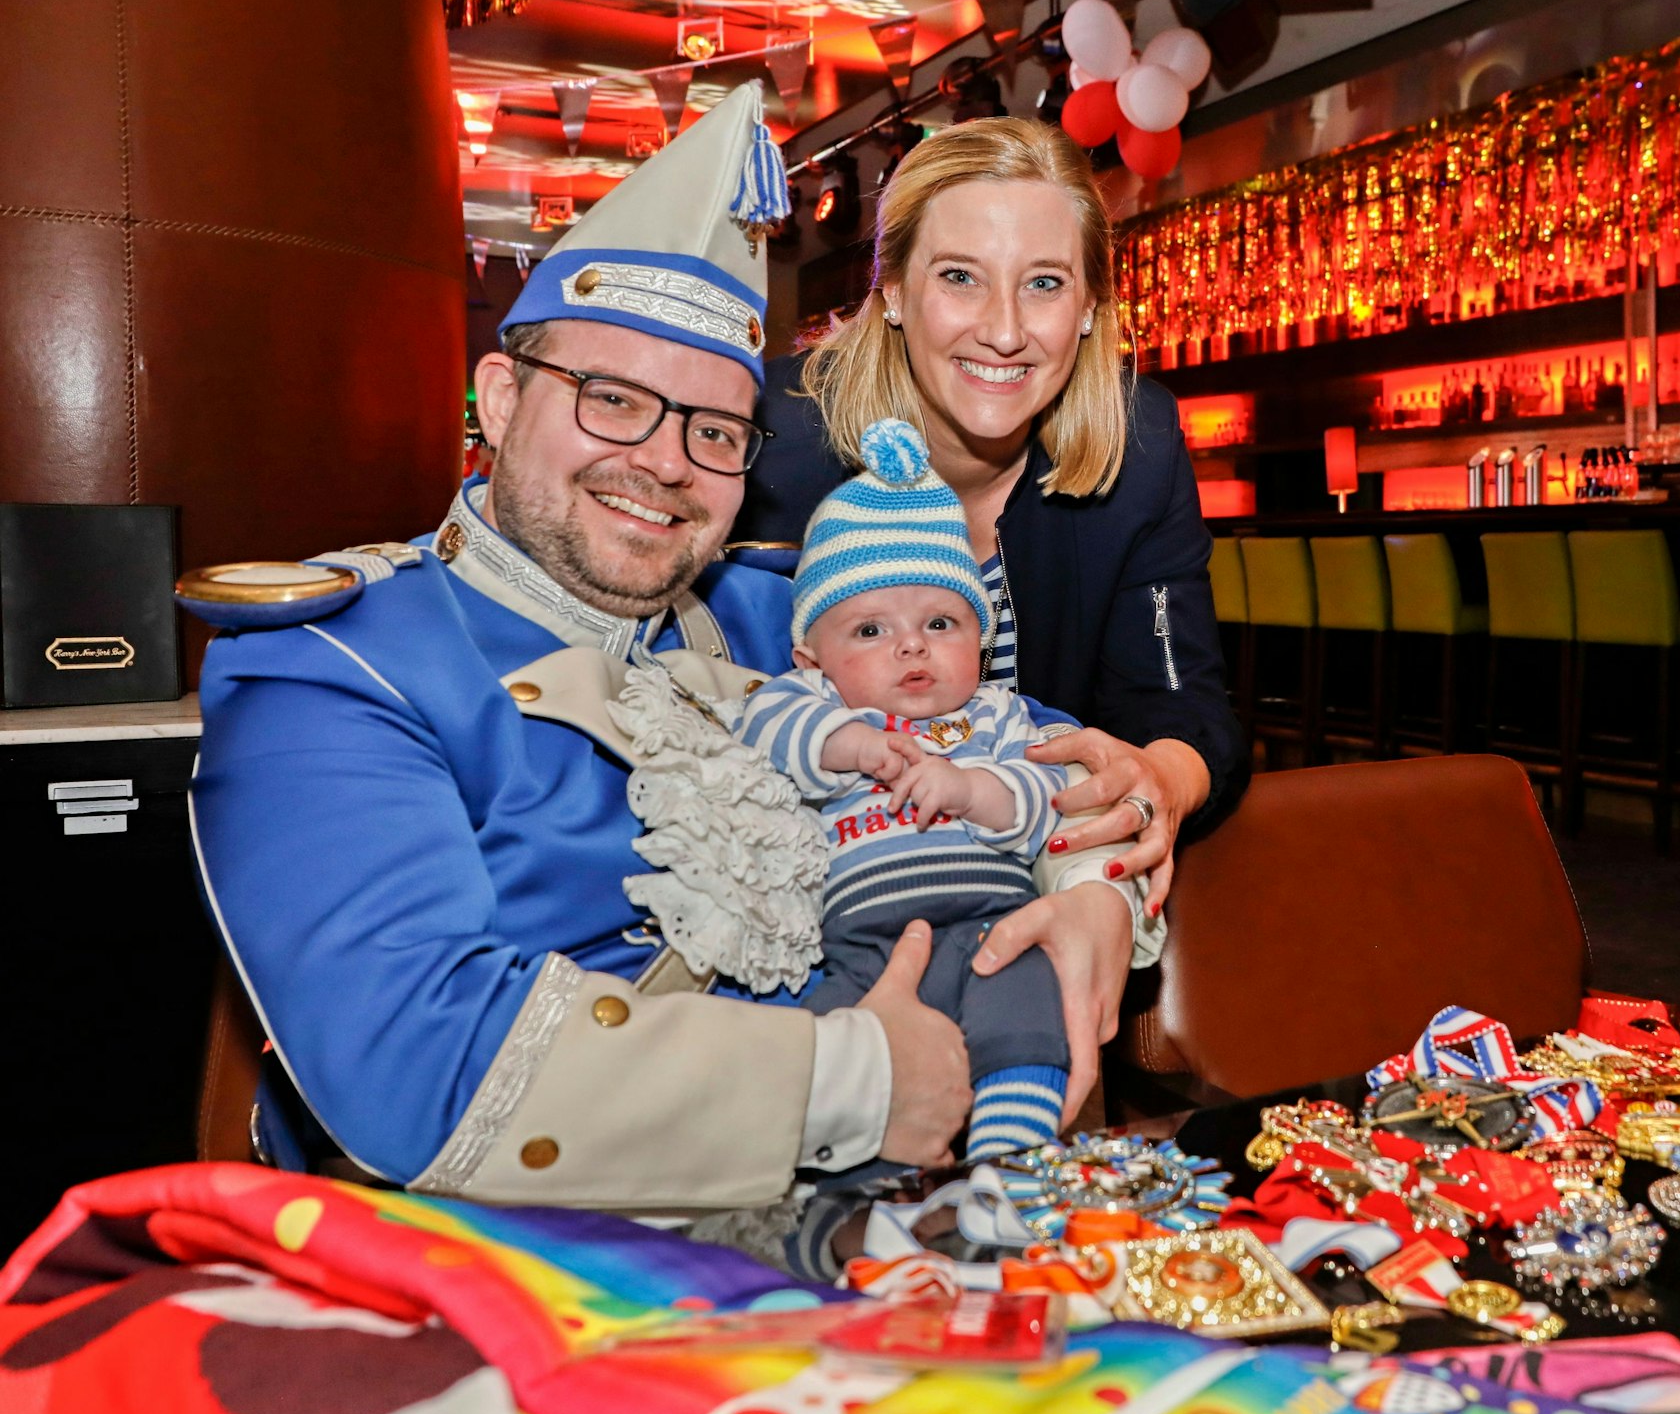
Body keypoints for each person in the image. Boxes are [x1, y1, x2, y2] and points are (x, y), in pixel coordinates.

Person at [180, 85, 1141, 1214]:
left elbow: (1026, 757)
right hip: (534, 1266)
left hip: (881, 1217)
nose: (664, 462)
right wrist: (860, 1080)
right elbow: (422, 1066)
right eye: (611, 398)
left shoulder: (777, 617)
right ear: (497, 397)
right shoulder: (335, 665)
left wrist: (1090, 897)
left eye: (713, 429)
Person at [737, 118, 1248, 1085]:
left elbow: (1183, 712)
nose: (1006, 329)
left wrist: (1144, 798)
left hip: (1028, 876)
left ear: (1091, 304)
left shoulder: (1137, 447)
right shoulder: (770, 442)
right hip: (807, 913)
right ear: (890, 294)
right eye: (960, 276)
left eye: (1045, 283)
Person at [739, 418, 1082, 1162]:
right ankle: (843, 1185)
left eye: (940, 621)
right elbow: (762, 732)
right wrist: (852, 744)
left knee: (1028, 1011)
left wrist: (970, 789)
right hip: (856, 940)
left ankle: (1010, 1165)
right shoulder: (812, 703)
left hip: (993, 925)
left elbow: (1047, 792)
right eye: (869, 631)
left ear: (980, 641)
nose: (912, 645)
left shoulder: (996, 714)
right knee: (815, 1041)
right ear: (812, 656)